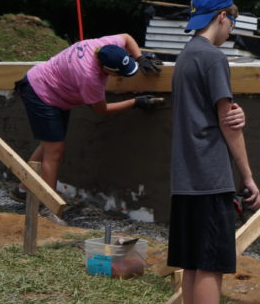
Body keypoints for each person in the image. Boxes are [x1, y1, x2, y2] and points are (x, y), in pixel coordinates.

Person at [170, 0, 260, 304]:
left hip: (185, 177)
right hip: (210, 176)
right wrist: (247, 176)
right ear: (223, 16)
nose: (232, 30)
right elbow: (229, 121)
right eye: (232, 21)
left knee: (193, 264)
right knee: (211, 264)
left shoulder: (186, 56)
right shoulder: (213, 58)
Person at [11, 33, 163, 200]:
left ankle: (23, 190)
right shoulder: (90, 78)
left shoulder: (105, 45)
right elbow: (102, 110)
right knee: (54, 150)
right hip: (41, 92)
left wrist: (139, 58)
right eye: (119, 74)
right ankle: (49, 205)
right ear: (106, 69)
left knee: (49, 145)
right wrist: (135, 102)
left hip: (54, 91)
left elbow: (127, 37)